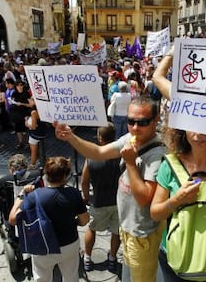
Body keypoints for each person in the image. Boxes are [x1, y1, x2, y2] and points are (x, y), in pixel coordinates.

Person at [54, 95, 166, 282]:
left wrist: (130, 164)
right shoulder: (130, 138)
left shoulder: (156, 154)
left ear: (155, 121)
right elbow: (97, 152)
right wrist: (71, 137)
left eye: (143, 122)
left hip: (142, 234)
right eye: (131, 121)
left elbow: (145, 198)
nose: (135, 127)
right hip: (127, 226)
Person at [150, 124, 206, 281]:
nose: (199, 132)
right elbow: (155, 213)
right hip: (174, 259)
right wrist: (176, 200)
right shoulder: (170, 164)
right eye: (192, 124)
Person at [9, 156, 89, 282]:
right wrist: (74, 222)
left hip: (43, 246)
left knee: (42, 278)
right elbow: (84, 220)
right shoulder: (74, 193)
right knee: (71, 276)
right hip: (69, 243)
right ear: (65, 176)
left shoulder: (34, 196)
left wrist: (20, 196)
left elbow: (12, 219)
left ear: (46, 174)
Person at [82, 122, 121, 272]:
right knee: (116, 232)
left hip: (98, 202)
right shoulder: (121, 155)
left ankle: (87, 258)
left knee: (92, 229)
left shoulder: (91, 157)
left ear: (99, 138)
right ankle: (112, 259)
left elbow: (84, 182)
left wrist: (86, 198)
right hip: (117, 202)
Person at [25, 100, 47, 169]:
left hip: (35, 134)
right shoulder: (42, 109)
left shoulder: (34, 112)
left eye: (31, 100)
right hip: (42, 131)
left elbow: (33, 127)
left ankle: (32, 164)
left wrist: (26, 123)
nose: (29, 101)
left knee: (33, 150)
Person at [9, 80, 32, 149]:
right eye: (18, 85)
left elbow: (30, 105)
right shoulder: (14, 93)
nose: (19, 87)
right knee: (18, 129)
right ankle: (21, 142)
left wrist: (22, 104)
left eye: (21, 85)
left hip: (24, 113)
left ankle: (28, 143)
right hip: (16, 113)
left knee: (27, 129)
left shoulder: (26, 93)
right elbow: (12, 100)